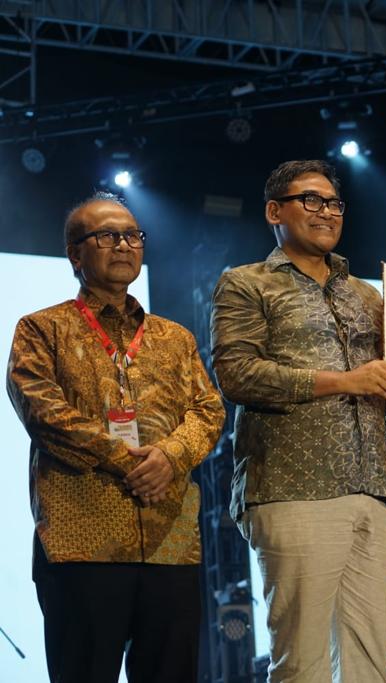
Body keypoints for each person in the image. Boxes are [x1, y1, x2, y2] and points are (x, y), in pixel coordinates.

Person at [210, 160, 386, 682]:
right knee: (302, 658)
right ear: (274, 211)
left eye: (334, 203)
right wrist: (345, 381)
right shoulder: (246, 283)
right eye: (311, 200)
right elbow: (237, 375)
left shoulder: (367, 295)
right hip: (292, 485)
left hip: (373, 488)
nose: (326, 212)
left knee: (370, 657)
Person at [7, 192, 225, 682]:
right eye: (107, 235)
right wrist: (129, 463)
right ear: (75, 255)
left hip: (171, 541)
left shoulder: (174, 337)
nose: (124, 244)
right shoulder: (42, 329)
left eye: (132, 235)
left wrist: (170, 456)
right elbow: (43, 412)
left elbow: (209, 410)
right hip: (82, 540)